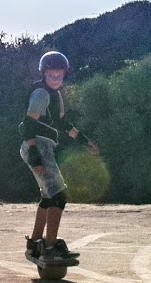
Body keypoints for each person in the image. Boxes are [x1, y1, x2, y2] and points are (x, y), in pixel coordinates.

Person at [19, 50, 99, 261]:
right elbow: (27, 125)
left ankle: (35, 244)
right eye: (51, 75)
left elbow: (62, 124)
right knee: (59, 195)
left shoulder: (55, 96)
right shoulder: (41, 94)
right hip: (37, 146)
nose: (55, 79)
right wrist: (35, 155)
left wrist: (84, 141)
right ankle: (50, 247)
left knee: (48, 196)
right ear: (43, 74)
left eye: (59, 76)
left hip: (42, 146)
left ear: (64, 75)